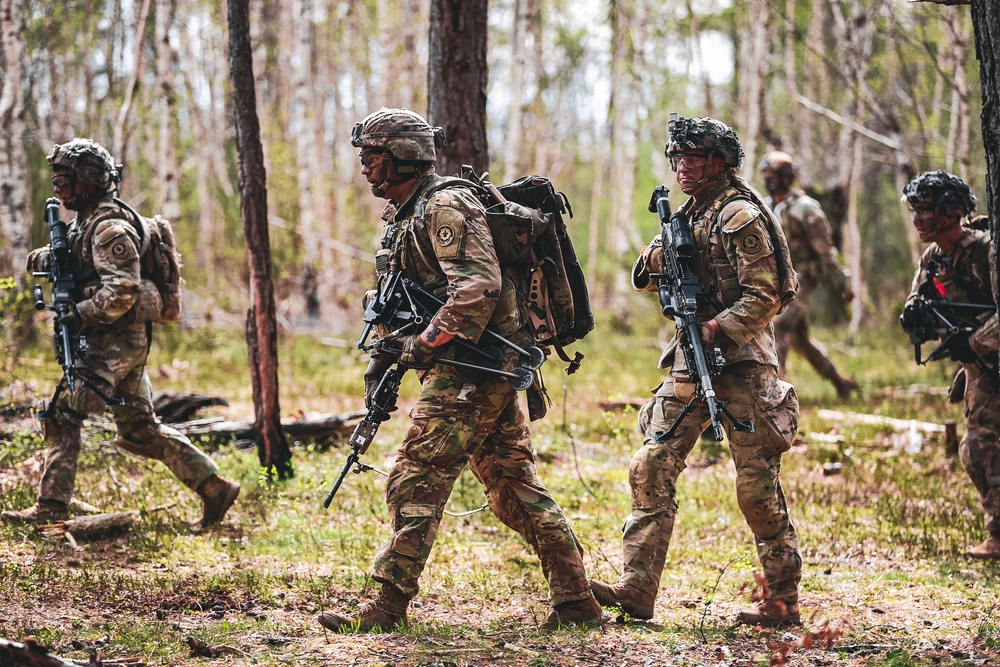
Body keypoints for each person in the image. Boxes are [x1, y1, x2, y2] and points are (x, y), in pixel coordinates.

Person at [317, 108, 606, 632]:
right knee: (513, 487)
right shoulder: (404, 212)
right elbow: (398, 299)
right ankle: (577, 599)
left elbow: (477, 289)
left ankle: (387, 605)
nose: (364, 168)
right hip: (471, 365)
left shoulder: (445, 206)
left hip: (473, 367)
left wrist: (421, 347)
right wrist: (386, 357)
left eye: (373, 156)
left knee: (415, 477)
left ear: (404, 157)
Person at [590, 116, 802, 626]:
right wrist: (656, 262)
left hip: (743, 365)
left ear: (721, 163)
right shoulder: (688, 214)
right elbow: (650, 271)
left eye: (694, 159)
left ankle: (781, 601)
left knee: (756, 488)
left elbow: (768, 294)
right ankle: (637, 589)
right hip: (690, 362)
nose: (683, 167)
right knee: (651, 464)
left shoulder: (738, 215)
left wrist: (716, 328)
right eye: (677, 158)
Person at [1, 139, 239, 529]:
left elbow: (123, 290)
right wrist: (45, 259)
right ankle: (214, 488)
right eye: (56, 178)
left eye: (65, 179)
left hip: (114, 344)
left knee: (62, 413)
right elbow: (82, 263)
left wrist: (78, 311)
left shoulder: (110, 228)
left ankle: (51, 507)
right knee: (139, 431)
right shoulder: (87, 223)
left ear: (89, 181)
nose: (57, 187)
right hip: (119, 343)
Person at [900, 170, 999, 559]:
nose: (917, 219)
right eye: (915, 210)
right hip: (978, 366)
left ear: (949, 213)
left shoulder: (984, 251)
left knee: (978, 446)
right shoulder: (933, 256)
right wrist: (914, 318)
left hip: (987, 356)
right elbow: (918, 299)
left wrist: (974, 342)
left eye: (925, 211)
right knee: (976, 447)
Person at [759, 151, 856, 399]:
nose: (769, 181)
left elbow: (826, 252)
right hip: (775, 281)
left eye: (773, 176)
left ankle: (776, 393)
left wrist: (842, 283)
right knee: (801, 341)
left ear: (786, 177)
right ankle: (841, 383)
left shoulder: (806, 209)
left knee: (777, 326)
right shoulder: (768, 207)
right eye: (766, 176)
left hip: (802, 278)